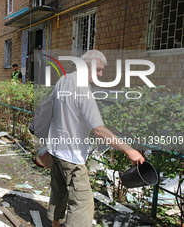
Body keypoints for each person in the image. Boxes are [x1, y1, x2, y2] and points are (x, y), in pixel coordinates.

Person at [46, 50, 145, 227]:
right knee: (83, 205)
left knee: (59, 192)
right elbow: (99, 130)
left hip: (57, 150)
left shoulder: (64, 79)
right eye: (98, 69)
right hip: (72, 156)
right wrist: (130, 151)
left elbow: (51, 110)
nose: (101, 74)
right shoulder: (83, 89)